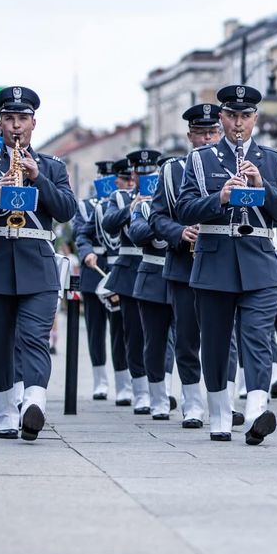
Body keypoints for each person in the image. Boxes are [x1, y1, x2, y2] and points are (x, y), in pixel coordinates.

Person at [0, 86, 78, 440]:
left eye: (22, 119)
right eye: (9, 118)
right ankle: (7, 411)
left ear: (33, 123)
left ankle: (34, 402)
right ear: (0, 122)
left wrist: (37, 177)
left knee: (34, 338)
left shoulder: (52, 167)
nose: (16, 126)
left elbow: (67, 210)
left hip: (37, 264)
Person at [177, 84, 277, 444]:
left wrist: (265, 188)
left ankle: (258, 410)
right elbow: (183, 209)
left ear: (255, 119)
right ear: (222, 118)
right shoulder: (200, 160)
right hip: (215, 261)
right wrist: (219, 197)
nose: (238, 123)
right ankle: (219, 413)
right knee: (214, 342)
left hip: (259, 261)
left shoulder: (273, 160)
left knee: (258, 338)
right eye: (232, 116)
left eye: (246, 116)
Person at [147, 104, 222, 428]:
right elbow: (156, 217)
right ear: (190, 135)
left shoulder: (233, 166)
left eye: (212, 132)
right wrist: (179, 232)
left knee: (223, 338)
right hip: (185, 264)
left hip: (223, 262)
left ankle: (223, 401)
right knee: (187, 339)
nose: (206, 138)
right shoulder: (173, 170)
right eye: (200, 133)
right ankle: (192, 403)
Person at [127, 149, 179, 420]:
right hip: (152, 277)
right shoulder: (143, 206)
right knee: (155, 342)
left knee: (185, 341)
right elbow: (136, 233)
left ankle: (182, 394)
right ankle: (157, 397)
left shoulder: (183, 202)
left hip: (182, 277)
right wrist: (164, 222)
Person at [102, 154, 151, 413]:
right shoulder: (119, 197)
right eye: (140, 173)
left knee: (162, 335)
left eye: (150, 172)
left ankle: (160, 386)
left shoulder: (165, 193)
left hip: (159, 269)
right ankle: (140, 390)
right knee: (133, 333)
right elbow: (108, 224)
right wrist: (131, 207)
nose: (144, 177)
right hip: (131, 270)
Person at [72, 159, 118, 400]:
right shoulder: (87, 205)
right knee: (95, 329)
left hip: (118, 267)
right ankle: (100, 380)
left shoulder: (123, 201)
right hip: (94, 269)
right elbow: (80, 233)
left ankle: (125, 381)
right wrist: (87, 252)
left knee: (120, 329)